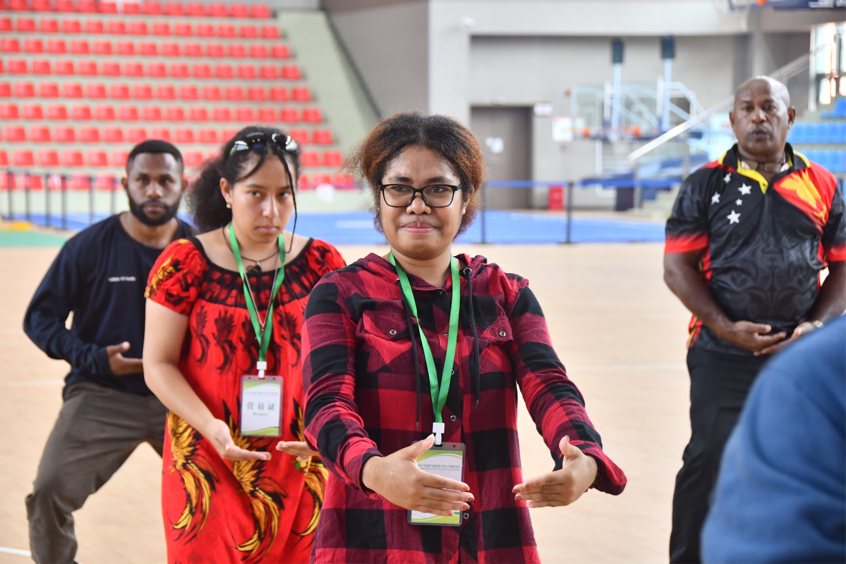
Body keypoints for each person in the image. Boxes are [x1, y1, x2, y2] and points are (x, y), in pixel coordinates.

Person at [301, 112, 627, 564]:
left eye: (438, 189)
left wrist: (583, 455)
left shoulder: (507, 294)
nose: (418, 205)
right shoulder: (339, 294)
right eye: (400, 188)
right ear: (379, 196)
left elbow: (550, 385)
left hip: (489, 535)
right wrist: (374, 471)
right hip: (374, 535)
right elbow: (325, 404)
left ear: (466, 196)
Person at [663, 76, 846, 564]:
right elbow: (676, 268)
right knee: (708, 455)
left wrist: (814, 330)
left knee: (810, 458)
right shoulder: (704, 185)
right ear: (732, 120)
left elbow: (842, 265)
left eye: (770, 107)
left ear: (791, 118)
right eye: (747, 108)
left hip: (801, 357)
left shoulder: (823, 185)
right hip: (721, 351)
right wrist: (725, 327)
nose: (758, 116)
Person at [142, 126, 346, 563]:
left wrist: (330, 431)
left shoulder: (323, 264)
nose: (271, 210)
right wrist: (209, 425)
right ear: (226, 191)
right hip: (206, 455)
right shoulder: (184, 263)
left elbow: (340, 365)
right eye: (256, 193)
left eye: (284, 195)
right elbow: (157, 364)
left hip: (298, 459)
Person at [23, 140, 192, 564]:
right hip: (102, 393)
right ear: (125, 184)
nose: (154, 190)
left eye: (165, 181)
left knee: (237, 485)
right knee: (48, 492)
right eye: (143, 180)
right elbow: (39, 318)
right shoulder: (88, 247)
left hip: (183, 396)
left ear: (182, 186)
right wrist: (93, 358)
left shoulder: (201, 250)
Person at [702, 314, 846, 564]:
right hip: (722, 357)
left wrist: (817, 323)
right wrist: (724, 327)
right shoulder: (813, 377)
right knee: (704, 457)